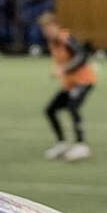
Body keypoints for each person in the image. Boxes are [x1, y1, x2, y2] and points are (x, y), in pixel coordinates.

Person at [38, 13, 96, 161]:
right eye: (45, 30)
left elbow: (82, 56)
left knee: (72, 107)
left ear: (56, 26)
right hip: (70, 84)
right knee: (50, 110)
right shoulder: (52, 43)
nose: (48, 32)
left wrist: (64, 68)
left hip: (84, 81)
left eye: (49, 28)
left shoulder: (65, 38)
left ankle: (81, 145)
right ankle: (62, 143)